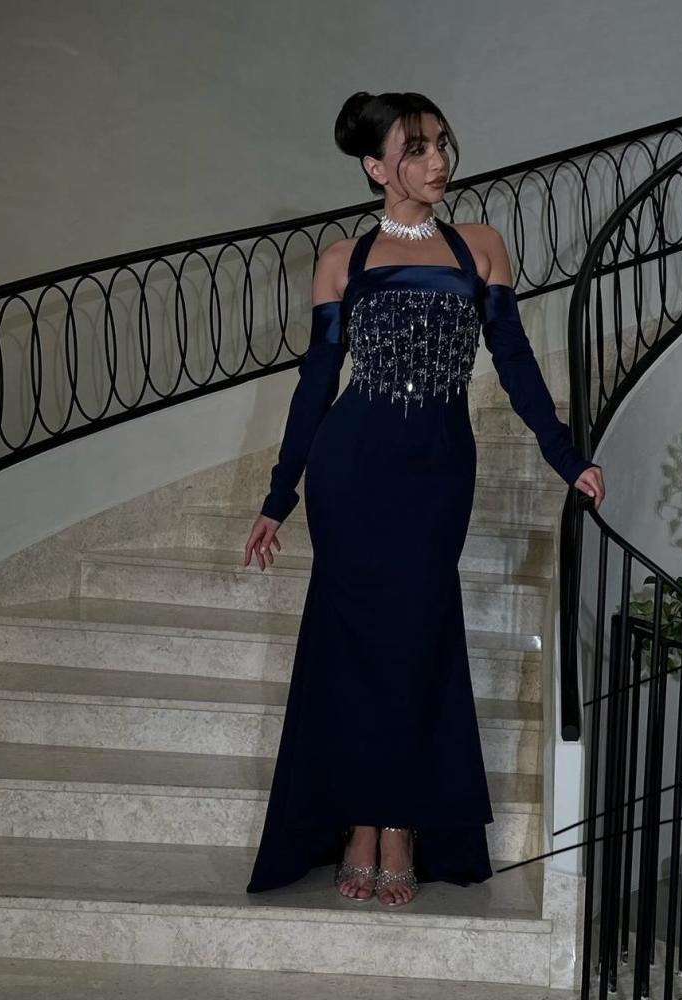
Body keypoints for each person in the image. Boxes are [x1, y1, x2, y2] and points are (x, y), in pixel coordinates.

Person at [243, 91, 605, 908]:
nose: (437, 160)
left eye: (440, 143)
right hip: (351, 468)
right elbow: (314, 385)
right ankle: (361, 824)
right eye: (415, 148)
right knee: (352, 647)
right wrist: (279, 494)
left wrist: (563, 454)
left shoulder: (480, 246)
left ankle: (400, 823)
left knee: (416, 641)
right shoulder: (341, 258)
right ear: (376, 167)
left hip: (438, 471)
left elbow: (513, 361)